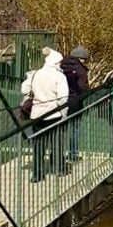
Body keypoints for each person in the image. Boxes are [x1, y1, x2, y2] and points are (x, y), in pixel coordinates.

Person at [23, 47, 69, 181]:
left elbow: (24, 88)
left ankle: (37, 174)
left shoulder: (36, 74)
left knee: (38, 145)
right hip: (53, 113)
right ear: (56, 62)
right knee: (57, 143)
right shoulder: (59, 76)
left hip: (37, 113)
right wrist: (63, 113)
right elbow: (63, 98)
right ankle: (59, 169)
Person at [60, 45, 90, 162]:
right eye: (83, 59)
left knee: (61, 129)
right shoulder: (80, 70)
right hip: (76, 100)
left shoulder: (61, 66)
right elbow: (82, 87)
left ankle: (58, 154)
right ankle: (73, 154)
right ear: (80, 58)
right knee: (75, 128)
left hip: (62, 100)